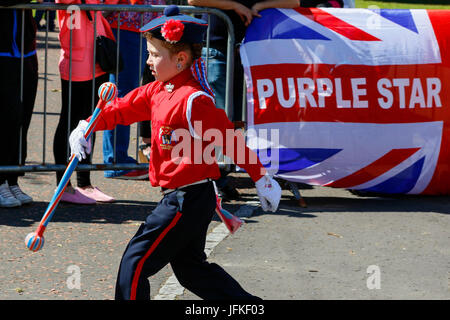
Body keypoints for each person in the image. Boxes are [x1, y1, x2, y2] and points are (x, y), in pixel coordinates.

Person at [69, 5, 282, 300]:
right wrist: (87, 126)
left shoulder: (194, 100)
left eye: (155, 55)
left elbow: (231, 140)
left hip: (187, 200)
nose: (148, 62)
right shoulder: (159, 89)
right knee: (192, 270)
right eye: (148, 54)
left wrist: (261, 178)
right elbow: (123, 108)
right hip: (184, 199)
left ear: (181, 59)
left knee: (135, 263)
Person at [188, 0, 300, 201]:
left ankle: (217, 178)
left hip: (245, 53)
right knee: (218, 123)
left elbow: (294, 1)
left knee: (232, 122)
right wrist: (234, 6)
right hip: (217, 49)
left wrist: (260, 6)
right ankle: (211, 181)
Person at [53, 0, 115, 204]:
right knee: (69, 120)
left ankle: (84, 182)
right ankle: (64, 185)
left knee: (90, 119)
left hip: (98, 56)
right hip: (76, 59)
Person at [101, 0, 164, 180]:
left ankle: (118, 159)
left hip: (143, 25)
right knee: (123, 93)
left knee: (134, 91)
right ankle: (116, 161)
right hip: (128, 24)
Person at [0, 0, 39, 208]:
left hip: (25, 51)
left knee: (22, 118)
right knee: (7, 117)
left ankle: (12, 178)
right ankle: (0, 180)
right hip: (3, 52)